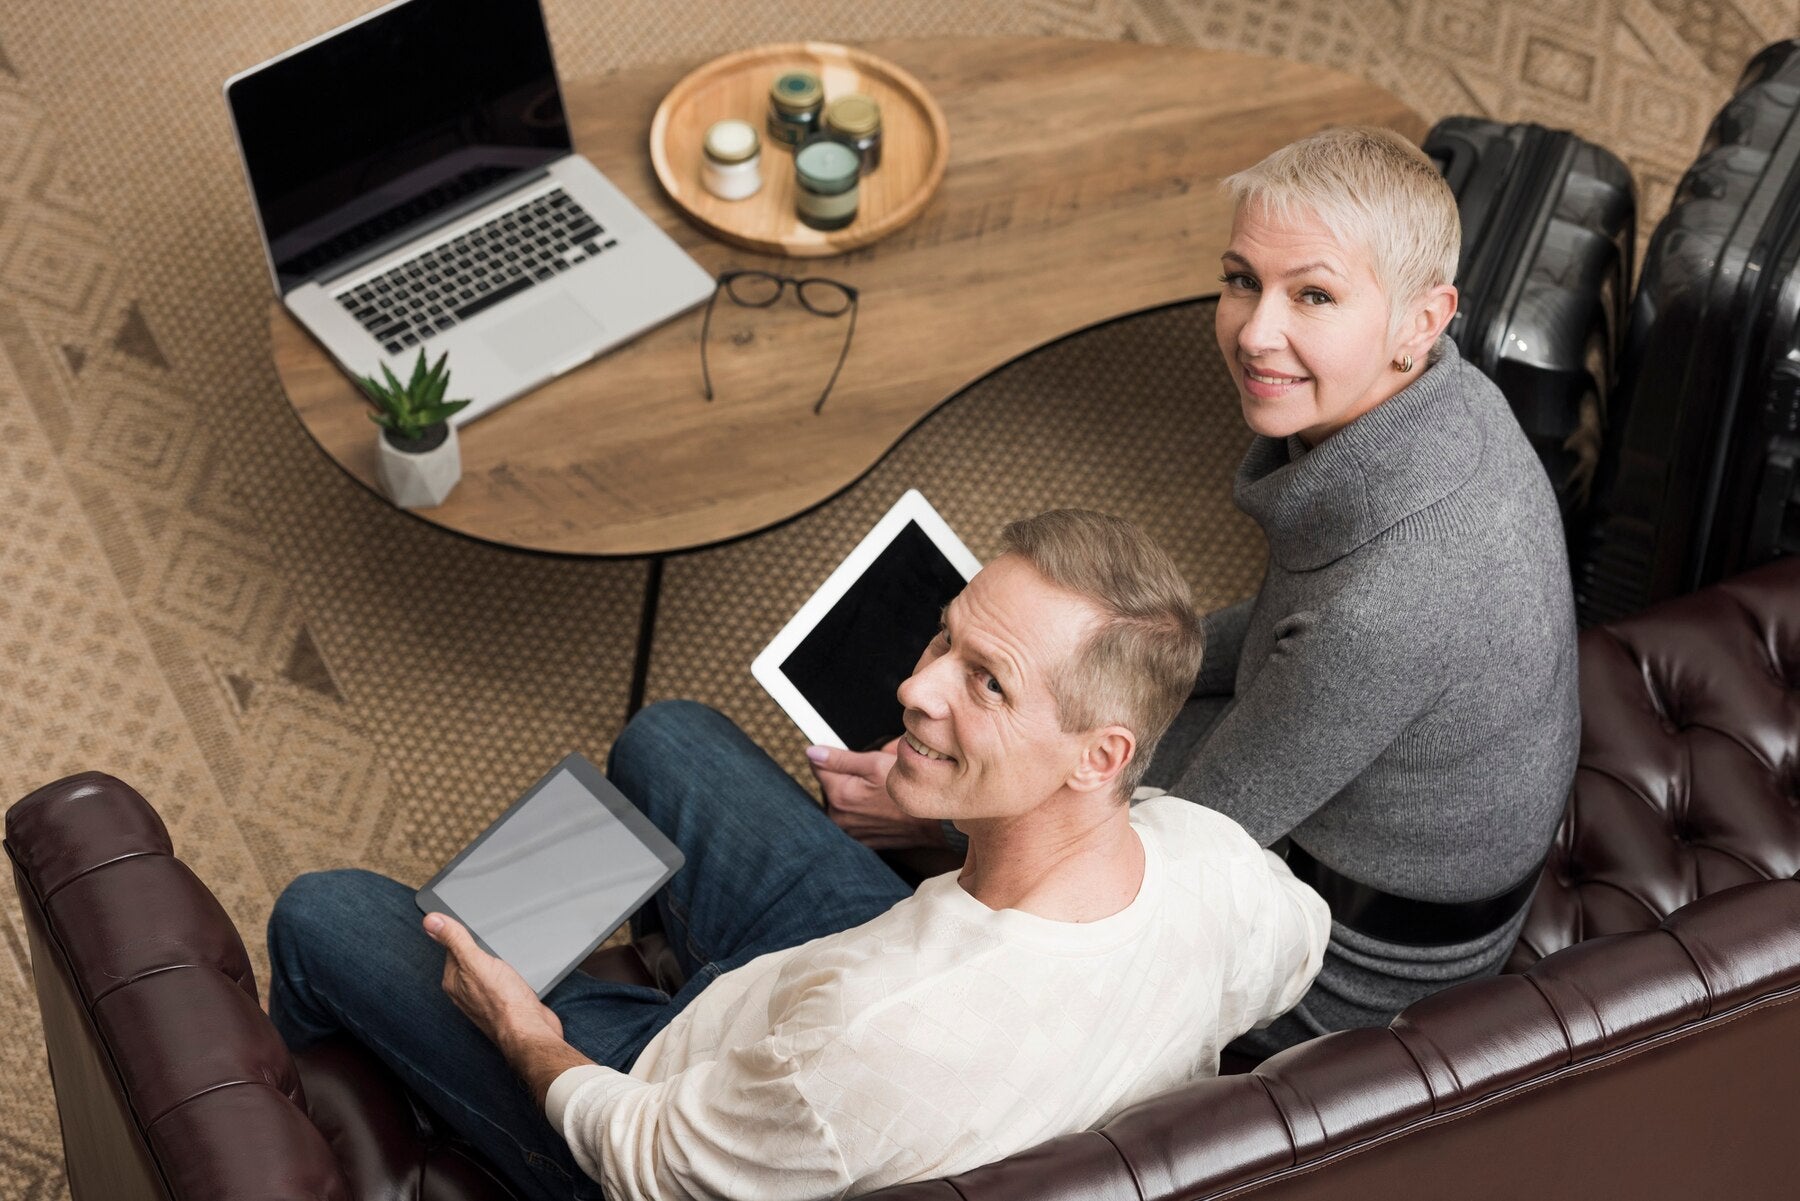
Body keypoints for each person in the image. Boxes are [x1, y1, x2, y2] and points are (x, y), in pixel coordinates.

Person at [266, 510, 1330, 1201]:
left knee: (325, 916)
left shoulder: (881, 1037)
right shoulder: (1213, 862)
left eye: (987, 683)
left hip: (675, 1112)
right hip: (835, 987)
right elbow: (1299, 950)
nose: (918, 690)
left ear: (1098, 756)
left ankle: (313, 1144)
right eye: (944, 639)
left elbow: (643, 1156)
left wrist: (529, 1035)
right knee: (667, 736)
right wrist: (949, 816)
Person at [813, 127, 1580, 1057]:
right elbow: (1280, 633)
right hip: (1343, 803)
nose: (1257, 332)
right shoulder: (1445, 412)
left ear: (1424, 319)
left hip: (1344, 971)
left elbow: (1176, 863)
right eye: (1242, 278)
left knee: (965, 791)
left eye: (1315, 295)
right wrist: (1071, 681)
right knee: (1021, 721)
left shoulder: (1393, 602)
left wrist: (939, 811)